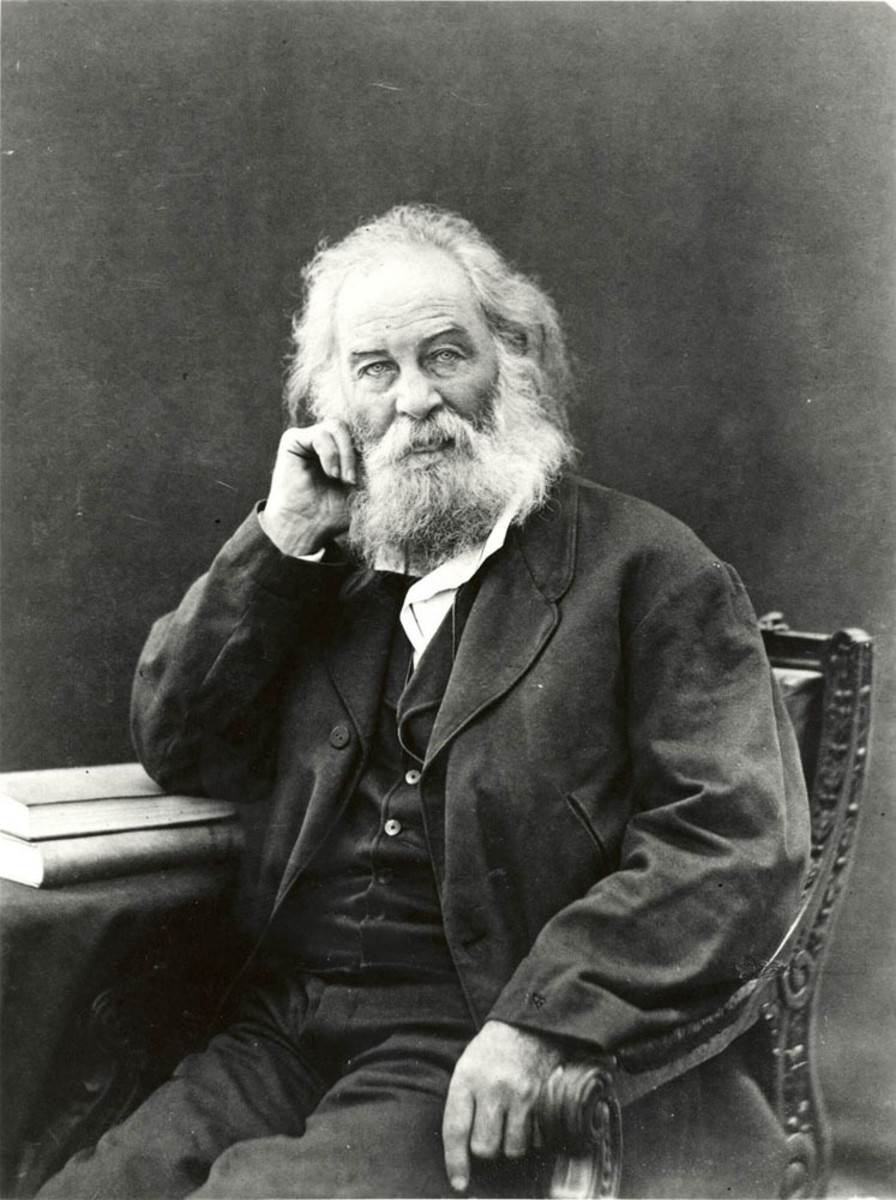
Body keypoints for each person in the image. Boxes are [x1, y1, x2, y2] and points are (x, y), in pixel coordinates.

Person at [39, 205, 809, 1199]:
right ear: (335, 403)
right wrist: (279, 541)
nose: (415, 400)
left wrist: (543, 1019)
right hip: (280, 1024)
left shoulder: (651, 571)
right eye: (375, 369)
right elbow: (177, 743)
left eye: (445, 356)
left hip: (470, 1036)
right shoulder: (322, 570)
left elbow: (733, 841)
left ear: (512, 364)